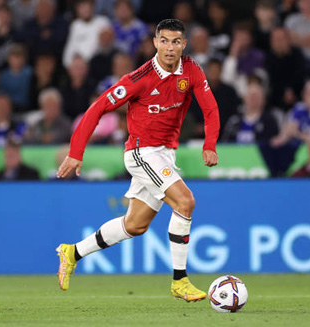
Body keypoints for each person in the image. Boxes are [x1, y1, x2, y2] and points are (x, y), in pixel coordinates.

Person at [55, 19, 219, 302]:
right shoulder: (139, 78)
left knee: (135, 226)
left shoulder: (191, 70)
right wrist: (75, 152)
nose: (170, 47)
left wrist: (210, 144)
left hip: (165, 153)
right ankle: (180, 281)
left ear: (184, 44)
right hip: (142, 153)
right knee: (186, 202)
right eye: (164, 41)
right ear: (155, 42)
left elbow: (211, 108)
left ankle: (73, 251)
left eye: (176, 41)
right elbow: (97, 109)